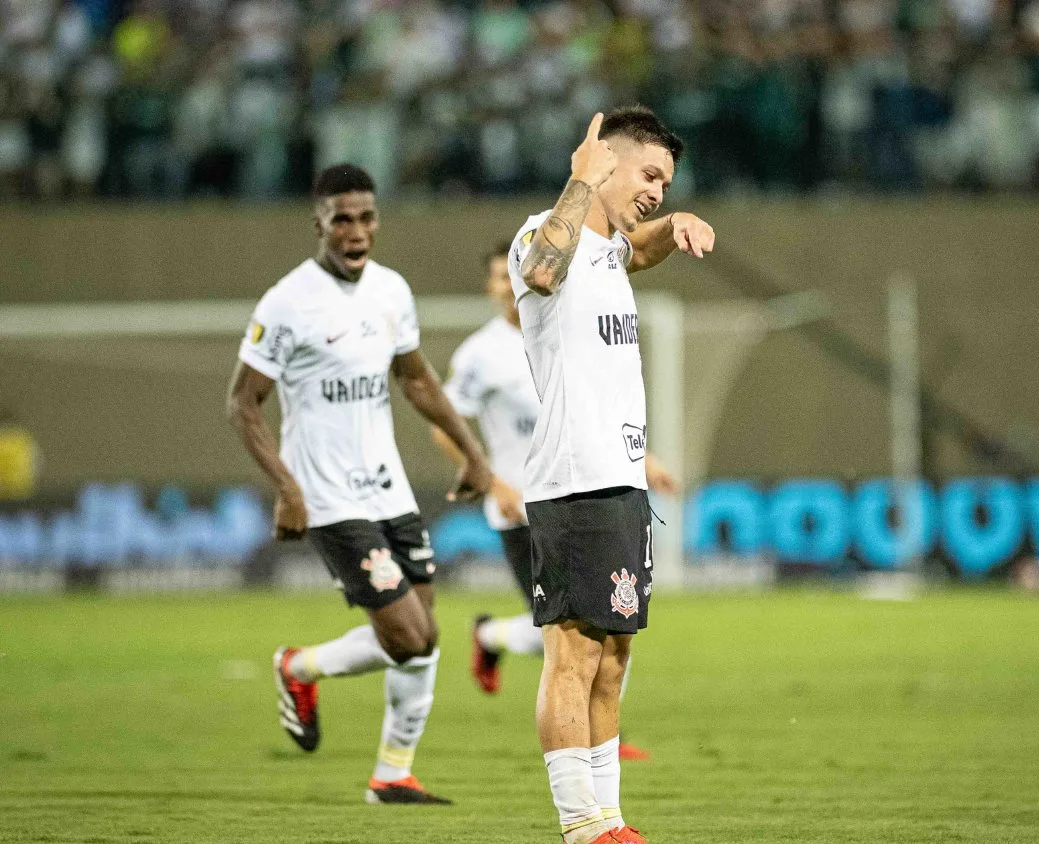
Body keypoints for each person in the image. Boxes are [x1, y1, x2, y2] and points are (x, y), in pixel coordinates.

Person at [226, 163, 492, 805]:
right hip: (328, 498)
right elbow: (242, 403)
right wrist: (289, 490)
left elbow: (418, 379)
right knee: (406, 636)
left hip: (389, 489)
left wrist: (473, 452)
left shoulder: (391, 292)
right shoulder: (287, 302)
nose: (356, 230)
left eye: (366, 217)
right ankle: (301, 672)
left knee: (424, 641)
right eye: (342, 218)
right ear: (319, 222)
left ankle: (390, 772)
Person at [510, 107, 715, 844]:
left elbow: (635, 252)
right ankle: (580, 823)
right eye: (650, 175)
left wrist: (677, 221)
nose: (658, 189)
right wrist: (578, 180)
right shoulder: (545, 233)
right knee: (574, 654)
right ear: (606, 162)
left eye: (668, 180)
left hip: (619, 477)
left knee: (614, 656)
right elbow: (539, 271)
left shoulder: (605, 251)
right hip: (573, 478)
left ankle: (610, 819)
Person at [430, 242, 678, 763]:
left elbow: (594, 410)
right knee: (565, 627)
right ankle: (582, 744)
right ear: (491, 287)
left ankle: (591, 729)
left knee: (607, 619)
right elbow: (444, 425)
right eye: (497, 277)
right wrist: (491, 480)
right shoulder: (481, 353)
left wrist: (645, 458)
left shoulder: (562, 332)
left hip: (581, 490)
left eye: (510, 274)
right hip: (522, 506)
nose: (505, 285)